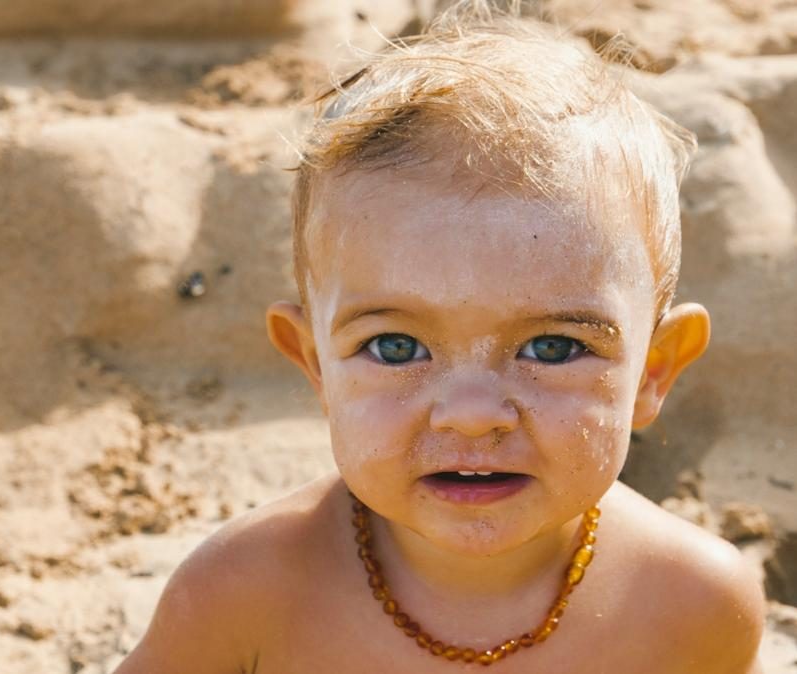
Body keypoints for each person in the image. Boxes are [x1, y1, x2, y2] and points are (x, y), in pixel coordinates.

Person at [116, 3, 765, 672]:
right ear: (315, 367)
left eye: (552, 347)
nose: (472, 414)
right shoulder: (243, 593)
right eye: (396, 347)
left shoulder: (693, 604)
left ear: (653, 370)